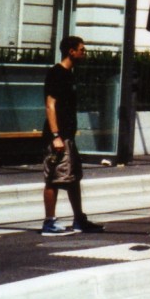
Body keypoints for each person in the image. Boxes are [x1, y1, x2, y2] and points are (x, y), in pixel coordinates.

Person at [40, 36, 104, 236]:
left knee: (73, 178)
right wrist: (55, 135)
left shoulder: (70, 74)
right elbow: (50, 105)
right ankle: (49, 223)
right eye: (82, 49)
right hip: (58, 137)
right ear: (71, 51)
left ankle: (79, 219)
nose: (84, 53)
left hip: (68, 137)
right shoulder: (56, 73)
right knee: (53, 179)